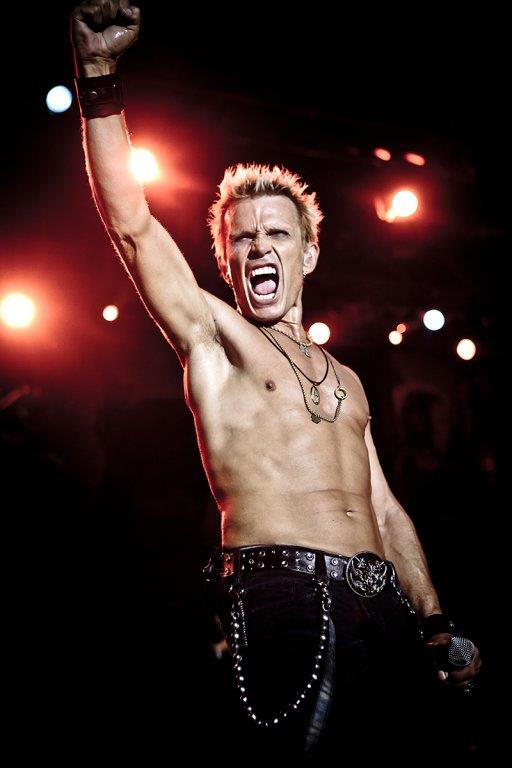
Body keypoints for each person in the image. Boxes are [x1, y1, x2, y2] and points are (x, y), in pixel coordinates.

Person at [70, 1, 482, 760]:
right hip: (286, 598)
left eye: (277, 234)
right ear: (226, 260)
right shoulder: (215, 338)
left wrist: (434, 623)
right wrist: (98, 75)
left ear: (308, 254)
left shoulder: (348, 379)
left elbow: (383, 508)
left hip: (383, 609)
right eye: (243, 238)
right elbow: (133, 225)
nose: (259, 246)